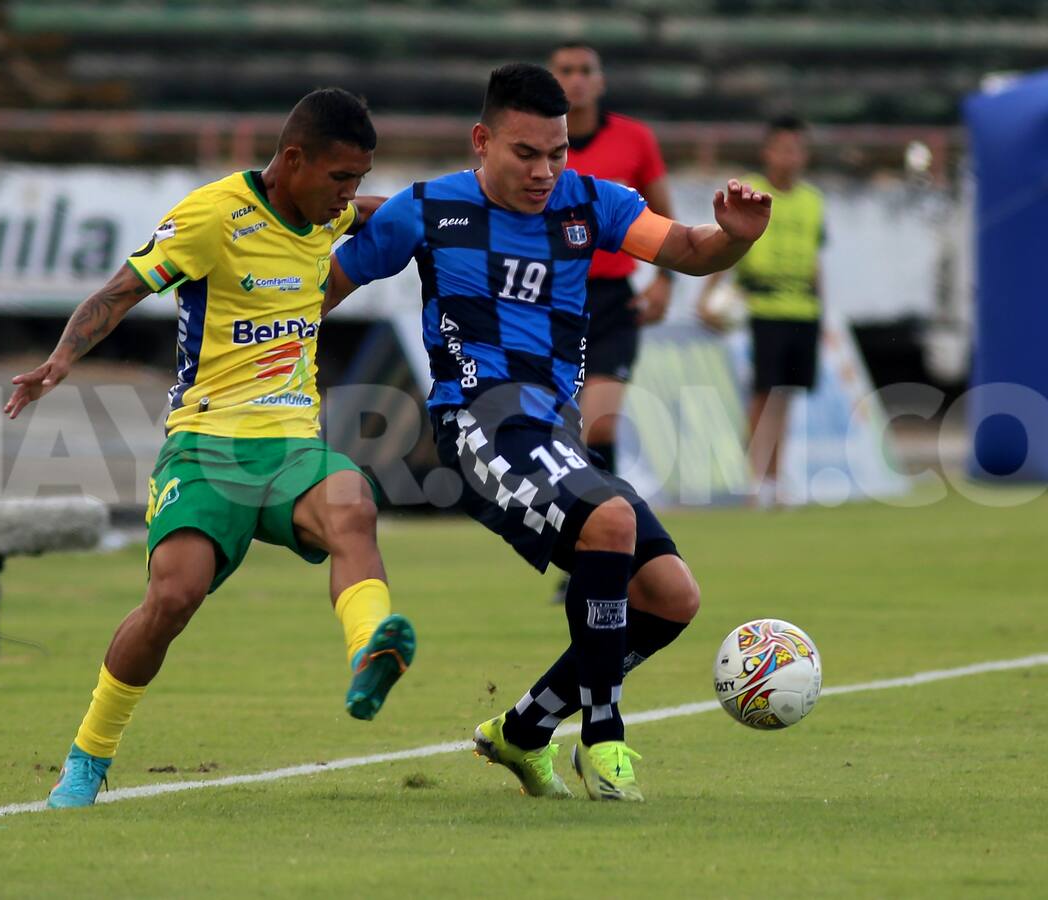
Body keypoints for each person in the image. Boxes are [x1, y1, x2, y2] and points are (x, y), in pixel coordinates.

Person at [324, 64, 770, 801]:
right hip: (477, 421)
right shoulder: (426, 210)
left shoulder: (589, 202)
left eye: (557, 152)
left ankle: (524, 731)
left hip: (553, 429)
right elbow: (320, 295)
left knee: (672, 597)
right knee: (612, 518)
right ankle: (604, 738)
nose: (545, 170)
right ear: (482, 140)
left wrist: (734, 238)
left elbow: (691, 248)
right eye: (526, 153)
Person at [5, 89, 417, 809]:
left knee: (352, 502)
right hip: (206, 446)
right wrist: (61, 359)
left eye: (356, 180)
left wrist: (436, 211)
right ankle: (88, 756)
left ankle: (369, 654)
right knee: (172, 597)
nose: (348, 197)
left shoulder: (326, 211)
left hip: (291, 442)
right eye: (339, 179)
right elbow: (119, 290)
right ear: (292, 160)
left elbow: (378, 211)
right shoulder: (212, 216)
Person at [548, 42, 674, 474]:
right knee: (557, 427)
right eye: (566, 70)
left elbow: (664, 218)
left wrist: (664, 281)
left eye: (586, 70)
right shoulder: (533, 147)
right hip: (548, 299)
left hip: (610, 302)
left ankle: (610, 513)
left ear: (600, 81)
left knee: (599, 424)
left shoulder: (635, 139)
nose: (576, 79)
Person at [697, 115, 825, 506]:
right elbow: (731, 243)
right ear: (768, 152)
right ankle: (753, 478)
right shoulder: (753, 194)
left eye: (796, 150)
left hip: (803, 309)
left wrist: (824, 312)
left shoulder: (812, 201)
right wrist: (707, 295)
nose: (789, 157)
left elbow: (816, 259)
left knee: (785, 396)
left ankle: (774, 479)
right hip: (763, 307)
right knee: (762, 394)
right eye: (782, 148)